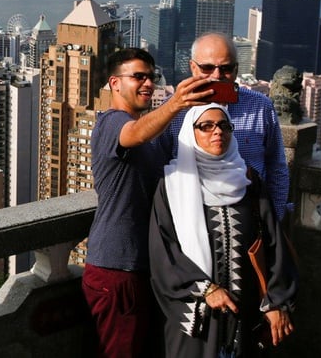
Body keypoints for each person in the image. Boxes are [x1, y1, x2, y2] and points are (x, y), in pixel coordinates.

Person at [83, 47, 214, 357]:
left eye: (151, 77)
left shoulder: (154, 134)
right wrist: (176, 102)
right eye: (138, 77)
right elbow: (133, 134)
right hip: (116, 268)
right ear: (115, 83)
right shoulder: (110, 123)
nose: (147, 84)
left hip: (145, 267)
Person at [150, 104, 297, 357]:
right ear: (190, 133)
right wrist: (206, 289)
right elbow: (163, 252)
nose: (217, 132)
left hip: (247, 317)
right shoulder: (173, 186)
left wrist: (276, 302)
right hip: (198, 321)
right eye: (206, 126)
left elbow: (273, 243)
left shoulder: (248, 181)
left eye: (224, 125)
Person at [159, 33, 291, 221]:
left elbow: (277, 168)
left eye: (226, 68)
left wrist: (273, 222)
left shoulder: (260, 107)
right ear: (192, 67)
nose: (217, 75)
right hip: (190, 218)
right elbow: (159, 168)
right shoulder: (173, 110)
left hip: (251, 217)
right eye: (207, 67)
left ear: (236, 70)